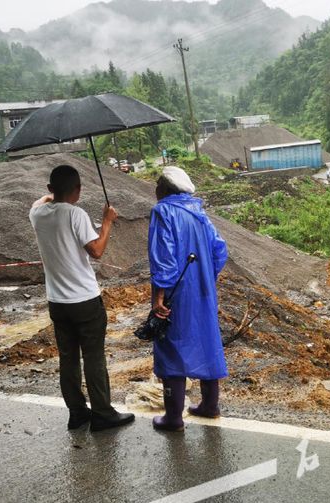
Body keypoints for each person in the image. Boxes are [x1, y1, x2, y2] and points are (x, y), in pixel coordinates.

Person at [29, 164, 134, 432]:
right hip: (85, 301)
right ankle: (102, 413)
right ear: (78, 190)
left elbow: (41, 200)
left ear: (51, 189)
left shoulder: (38, 214)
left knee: (69, 358)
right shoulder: (76, 215)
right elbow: (96, 251)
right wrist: (107, 222)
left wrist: (54, 195)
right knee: (94, 356)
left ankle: (77, 413)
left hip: (57, 302)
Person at [148, 166, 228, 432]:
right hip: (202, 290)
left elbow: (165, 257)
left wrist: (160, 294)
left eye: (157, 183)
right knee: (206, 341)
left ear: (165, 188)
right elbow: (220, 250)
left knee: (171, 346)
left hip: (176, 292)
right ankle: (210, 406)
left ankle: (173, 418)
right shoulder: (199, 213)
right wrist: (205, 277)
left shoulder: (163, 212)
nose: (155, 188)